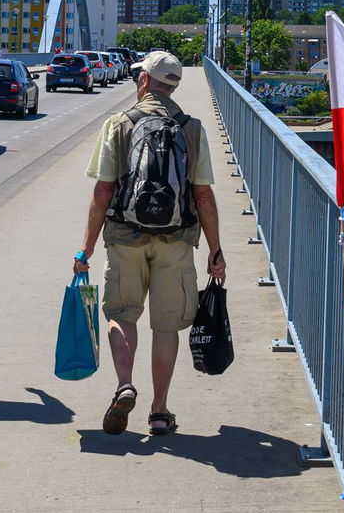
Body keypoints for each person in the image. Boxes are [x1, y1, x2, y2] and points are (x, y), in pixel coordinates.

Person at [75, 50, 224, 436]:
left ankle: (125, 385)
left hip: (125, 236)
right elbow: (203, 196)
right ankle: (159, 411)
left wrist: (87, 247)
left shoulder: (118, 124)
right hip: (176, 239)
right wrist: (215, 250)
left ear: (144, 81)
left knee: (122, 314)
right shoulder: (191, 129)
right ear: (173, 86)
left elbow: (103, 191)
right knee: (166, 325)